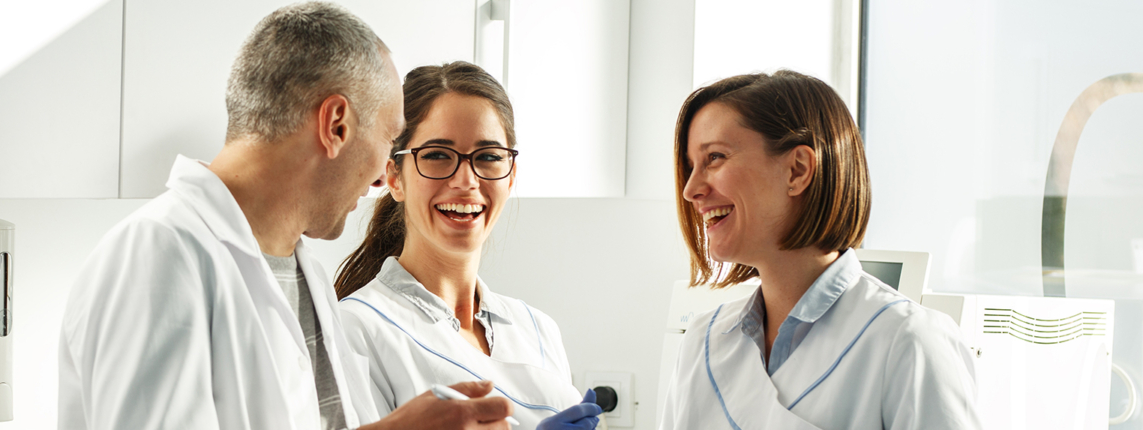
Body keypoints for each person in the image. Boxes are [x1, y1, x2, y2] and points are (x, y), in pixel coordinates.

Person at [58, 3, 514, 429]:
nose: (382, 177)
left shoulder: (307, 276)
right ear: (336, 125)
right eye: (389, 138)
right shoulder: (156, 256)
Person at [658, 70, 982, 429]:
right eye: (691, 167)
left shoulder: (908, 342)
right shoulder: (703, 343)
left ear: (797, 170)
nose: (691, 190)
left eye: (715, 157)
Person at [334, 62, 603, 430]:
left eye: (489, 157)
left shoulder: (538, 329)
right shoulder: (356, 328)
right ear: (394, 177)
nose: (466, 181)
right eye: (437, 155)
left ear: (511, 177)